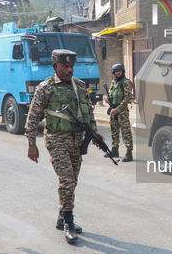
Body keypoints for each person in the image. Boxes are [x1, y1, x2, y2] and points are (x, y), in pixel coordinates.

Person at [25, 49, 102, 243]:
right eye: (65, 66)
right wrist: (31, 144)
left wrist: (94, 133)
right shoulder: (46, 88)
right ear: (55, 67)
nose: (69, 70)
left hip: (76, 141)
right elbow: (33, 117)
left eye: (71, 66)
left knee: (72, 181)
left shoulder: (80, 86)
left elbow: (88, 112)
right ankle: (68, 222)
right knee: (67, 180)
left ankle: (61, 217)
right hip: (56, 139)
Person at [103, 63, 134, 162]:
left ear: (123, 71)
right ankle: (114, 150)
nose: (118, 73)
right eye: (116, 71)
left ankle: (129, 152)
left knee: (126, 132)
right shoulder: (113, 82)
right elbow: (111, 94)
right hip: (113, 110)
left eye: (119, 71)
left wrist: (118, 110)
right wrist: (107, 98)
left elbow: (126, 99)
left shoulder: (127, 83)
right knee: (114, 131)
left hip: (122, 111)